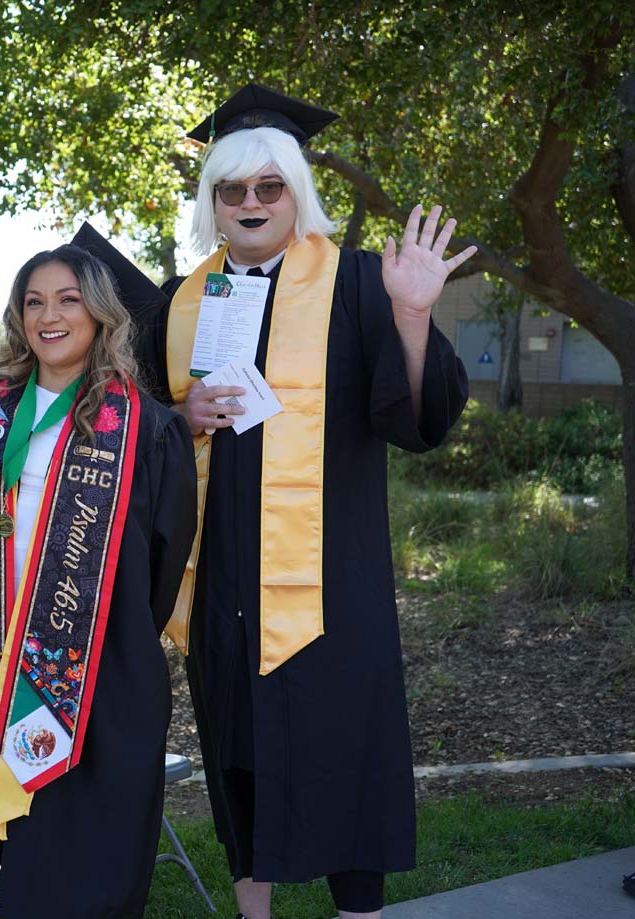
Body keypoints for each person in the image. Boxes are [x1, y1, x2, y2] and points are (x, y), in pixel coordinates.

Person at [136, 84, 475, 919]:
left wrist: (413, 313)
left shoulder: (361, 283)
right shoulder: (180, 302)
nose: (250, 203)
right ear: (212, 201)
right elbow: (140, 427)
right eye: (231, 189)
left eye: (269, 187)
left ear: (298, 192)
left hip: (334, 580)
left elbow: (417, 419)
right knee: (239, 752)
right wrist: (177, 418)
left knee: (343, 753)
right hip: (223, 583)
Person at [0, 240, 196, 919]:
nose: (48, 316)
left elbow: (164, 559)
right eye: (33, 301)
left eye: (67, 299)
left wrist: (109, 633)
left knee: (62, 839)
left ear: (101, 314)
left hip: (86, 663)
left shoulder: (143, 425)